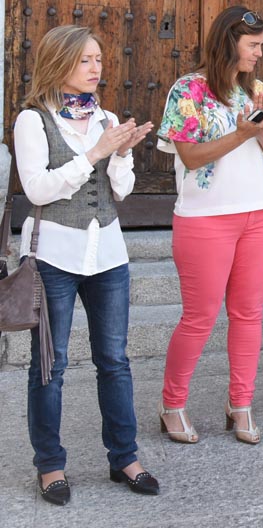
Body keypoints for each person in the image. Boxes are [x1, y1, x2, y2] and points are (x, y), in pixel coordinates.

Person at [14, 26, 158, 504]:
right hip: (53, 256)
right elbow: (36, 189)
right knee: (49, 367)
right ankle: (50, 465)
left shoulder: (107, 117)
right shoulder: (33, 120)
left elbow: (121, 191)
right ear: (60, 64)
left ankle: (125, 457)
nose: (97, 68)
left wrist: (119, 153)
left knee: (115, 361)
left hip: (108, 255)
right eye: (86, 61)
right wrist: (93, 153)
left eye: (99, 59)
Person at [157, 6, 263, 445]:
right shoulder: (188, 89)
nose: (259, 54)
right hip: (205, 218)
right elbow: (190, 156)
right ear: (229, 42)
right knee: (199, 317)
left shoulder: (256, 89)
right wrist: (242, 134)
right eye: (253, 46)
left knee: (248, 315)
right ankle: (172, 404)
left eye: (262, 46)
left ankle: (241, 405)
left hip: (256, 212)